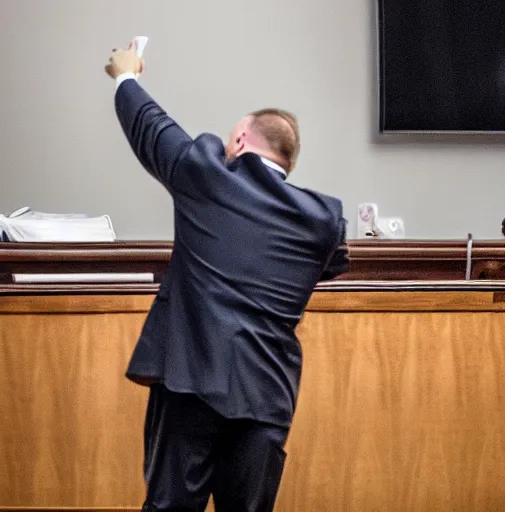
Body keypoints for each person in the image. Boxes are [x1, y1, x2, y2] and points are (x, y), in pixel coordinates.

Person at [105, 41, 349, 512]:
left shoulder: (207, 175)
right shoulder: (324, 220)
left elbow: (151, 128)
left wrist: (125, 75)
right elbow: (332, 265)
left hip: (192, 384)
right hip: (267, 396)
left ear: (237, 142)